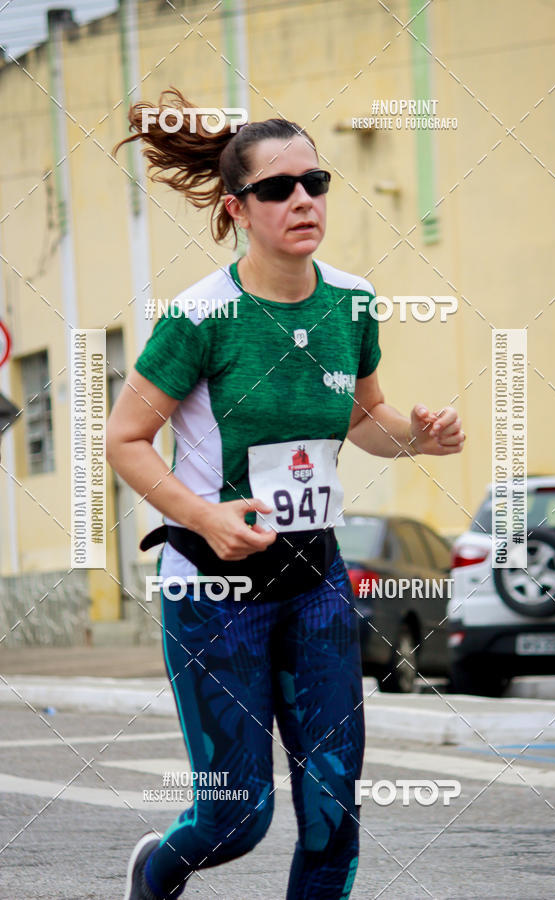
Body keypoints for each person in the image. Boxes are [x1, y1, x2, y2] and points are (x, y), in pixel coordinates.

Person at [107, 87, 466, 900]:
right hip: (215, 588)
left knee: (335, 816)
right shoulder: (202, 317)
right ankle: (155, 871)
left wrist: (418, 431)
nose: (303, 198)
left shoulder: (353, 301)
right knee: (236, 820)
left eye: (316, 182)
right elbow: (124, 440)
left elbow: (367, 415)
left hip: (316, 581)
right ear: (237, 209)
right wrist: (202, 515)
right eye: (278, 188)